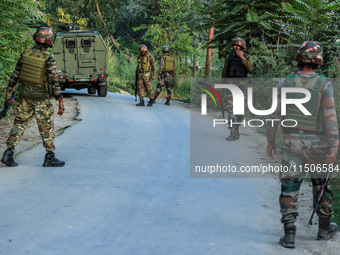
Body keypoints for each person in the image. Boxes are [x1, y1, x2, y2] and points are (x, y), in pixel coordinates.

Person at [266, 41, 338, 248]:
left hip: (291, 142)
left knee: (289, 186)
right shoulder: (325, 84)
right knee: (322, 186)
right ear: (318, 60)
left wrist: (271, 140)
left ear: (299, 58)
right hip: (319, 145)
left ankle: (289, 234)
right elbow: (330, 119)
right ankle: (324, 229)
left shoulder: (285, 82)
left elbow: (274, 115)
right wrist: (334, 149)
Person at [1, 26, 65, 167]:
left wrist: (9, 91)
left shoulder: (26, 52)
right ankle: (50, 156)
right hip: (40, 96)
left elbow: (15, 73)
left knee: (20, 123)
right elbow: (54, 80)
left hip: (24, 94)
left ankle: (9, 153)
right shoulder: (49, 57)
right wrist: (60, 100)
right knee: (46, 126)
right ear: (48, 40)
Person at [221, 37, 254, 141]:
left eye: (238, 46)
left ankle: (236, 128)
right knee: (230, 109)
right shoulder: (229, 57)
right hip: (230, 85)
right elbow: (224, 71)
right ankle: (232, 132)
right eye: (235, 46)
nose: (236, 48)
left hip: (242, 87)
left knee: (240, 112)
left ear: (242, 47)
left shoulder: (247, 57)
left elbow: (251, 69)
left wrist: (242, 58)